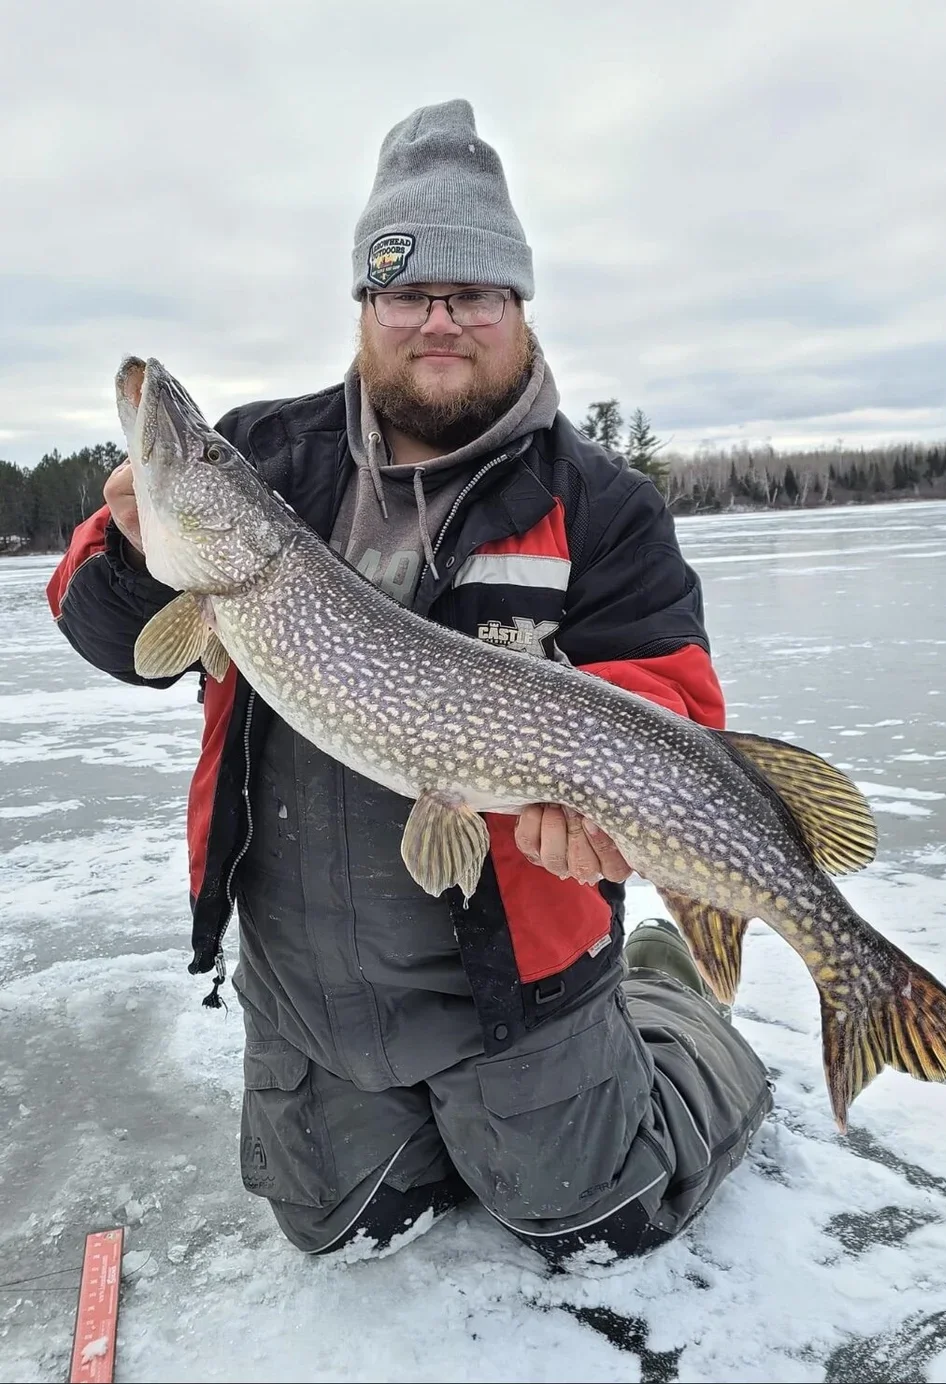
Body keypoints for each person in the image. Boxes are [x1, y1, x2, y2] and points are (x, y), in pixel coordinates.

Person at [47, 99, 771, 1266]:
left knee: (604, 1218)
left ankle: (671, 997)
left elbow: (669, 703)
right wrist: (133, 552)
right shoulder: (263, 458)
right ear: (365, 307)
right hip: (312, 994)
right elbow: (103, 625)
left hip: (520, 988)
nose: (438, 318)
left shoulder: (602, 504)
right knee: (350, 1233)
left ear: (518, 308)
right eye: (404, 290)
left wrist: (619, 826)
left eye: (472, 292)